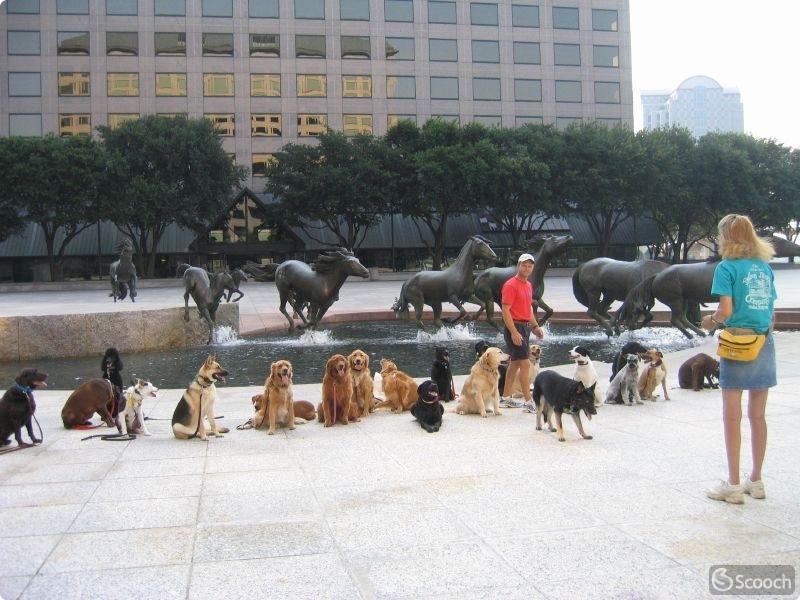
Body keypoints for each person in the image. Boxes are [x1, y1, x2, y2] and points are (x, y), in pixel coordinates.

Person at [702, 214, 776, 504]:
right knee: (758, 416)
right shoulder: (763, 268)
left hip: (737, 344)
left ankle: (732, 485)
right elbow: (771, 313)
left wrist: (710, 320)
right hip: (763, 342)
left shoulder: (726, 268)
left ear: (726, 237)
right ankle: (755, 480)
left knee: (731, 416)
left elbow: (726, 311)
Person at [499, 253, 544, 410]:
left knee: (515, 364)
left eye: (530, 266)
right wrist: (513, 332)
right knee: (525, 364)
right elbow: (505, 310)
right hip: (515, 327)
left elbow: (528, 309)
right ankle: (528, 401)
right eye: (524, 265)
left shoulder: (528, 285)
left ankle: (505, 398)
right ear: (518, 266)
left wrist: (536, 326)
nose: (527, 268)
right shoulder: (510, 285)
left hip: (524, 327)